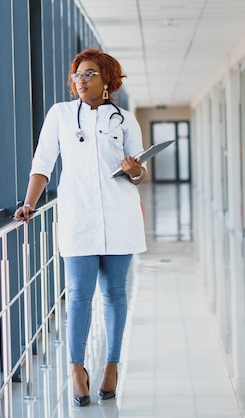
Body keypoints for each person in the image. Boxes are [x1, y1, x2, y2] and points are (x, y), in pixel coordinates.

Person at [14, 48, 147, 407]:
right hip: (78, 218)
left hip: (120, 217)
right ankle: (76, 369)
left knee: (115, 294)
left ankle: (111, 365)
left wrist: (135, 169)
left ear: (107, 80)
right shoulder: (59, 114)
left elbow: (139, 172)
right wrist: (29, 203)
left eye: (89, 74)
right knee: (77, 296)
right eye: (77, 75)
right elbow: (43, 162)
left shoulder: (125, 119)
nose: (81, 80)